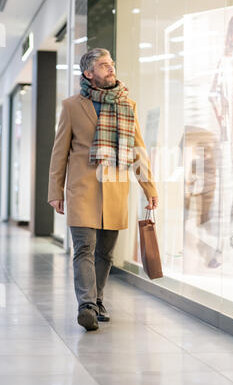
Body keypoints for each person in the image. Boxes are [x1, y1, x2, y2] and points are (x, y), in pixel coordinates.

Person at [48, 48, 159, 331]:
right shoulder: (72, 106)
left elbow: (138, 150)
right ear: (89, 73)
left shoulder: (126, 105)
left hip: (115, 189)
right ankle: (85, 305)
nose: (110, 69)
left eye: (111, 64)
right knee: (84, 247)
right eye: (103, 65)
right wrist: (55, 191)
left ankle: (97, 299)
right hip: (82, 189)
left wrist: (149, 188)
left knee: (105, 253)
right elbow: (59, 152)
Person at [208, 14, 233, 268]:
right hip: (227, 135)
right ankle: (220, 247)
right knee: (225, 191)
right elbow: (212, 93)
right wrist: (221, 116)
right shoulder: (223, 62)